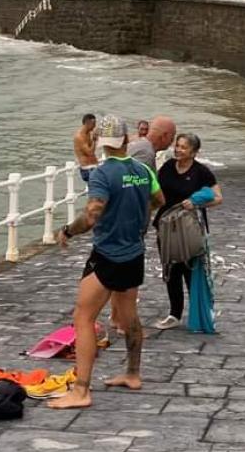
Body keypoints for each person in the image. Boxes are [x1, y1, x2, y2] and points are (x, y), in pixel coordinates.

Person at [50, 115, 164, 409]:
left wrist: (67, 231)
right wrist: (136, 214)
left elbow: (92, 214)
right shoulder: (141, 169)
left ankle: (81, 390)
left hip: (108, 254)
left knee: (83, 318)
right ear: (126, 140)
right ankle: (133, 374)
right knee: (129, 318)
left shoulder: (102, 173)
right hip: (134, 252)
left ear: (101, 143)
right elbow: (159, 199)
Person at [153, 133, 223, 329]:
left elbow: (218, 198)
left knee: (191, 269)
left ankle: (198, 314)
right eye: (177, 145)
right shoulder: (167, 167)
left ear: (194, 152)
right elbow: (157, 195)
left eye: (183, 147)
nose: (178, 149)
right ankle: (174, 314)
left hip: (190, 228)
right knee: (171, 269)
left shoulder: (202, 172)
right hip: (166, 228)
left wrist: (195, 202)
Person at [74, 113, 97, 182]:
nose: (95, 126)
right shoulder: (79, 137)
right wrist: (94, 140)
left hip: (93, 166)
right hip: (87, 169)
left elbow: (92, 150)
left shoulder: (89, 134)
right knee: (97, 189)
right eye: (94, 124)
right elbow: (89, 153)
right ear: (88, 123)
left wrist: (93, 140)